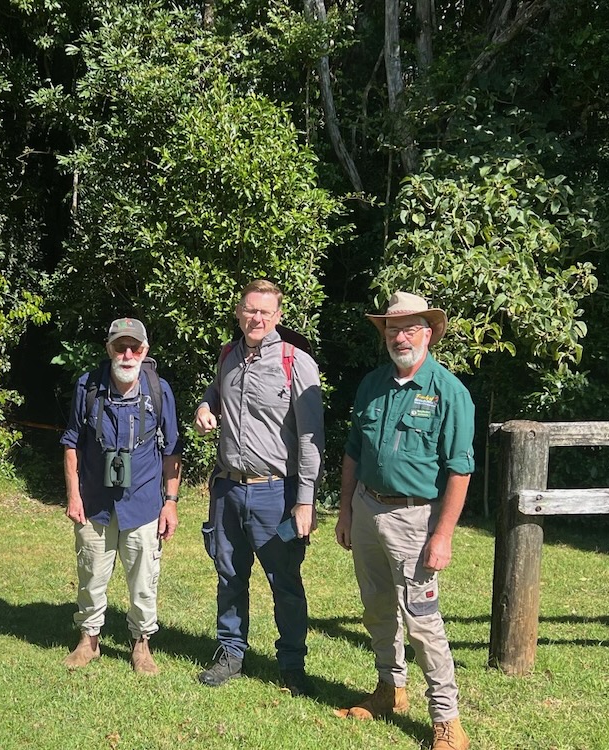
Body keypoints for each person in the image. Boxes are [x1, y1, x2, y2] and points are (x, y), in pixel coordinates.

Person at [334, 291, 474, 750]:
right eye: (392, 330)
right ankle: (389, 690)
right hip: (367, 509)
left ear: (428, 333)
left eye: (409, 328)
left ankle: (446, 719)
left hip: (416, 519)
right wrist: (347, 510)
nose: (400, 337)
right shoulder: (372, 385)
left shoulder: (449, 392)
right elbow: (354, 451)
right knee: (376, 608)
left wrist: (443, 535)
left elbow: (460, 468)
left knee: (422, 619)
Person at [194, 279, 324, 695]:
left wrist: (305, 501)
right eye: (250, 310)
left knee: (284, 582)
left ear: (278, 317)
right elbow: (217, 394)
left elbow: (310, 438)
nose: (257, 318)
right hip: (228, 490)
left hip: (276, 493)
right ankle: (230, 652)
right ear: (239, 312)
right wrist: (204, 406)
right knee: (229, 575)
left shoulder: (296, 362)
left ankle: (291, 664)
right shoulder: (228, 356)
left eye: (266, 312)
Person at [61, 318, 182, 674]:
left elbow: (173, 450)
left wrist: (170, 502)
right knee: (91, 574)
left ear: (145, 351)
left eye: (135, 348)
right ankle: (89, 640)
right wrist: (73, 495)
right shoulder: (88, 386)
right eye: (120, 347)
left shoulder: (159, 390)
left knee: (144, 580)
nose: (127, 354)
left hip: (144, 503)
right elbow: (71, 443)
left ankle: (141, 644)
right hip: (94, 502)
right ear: (108, 348)